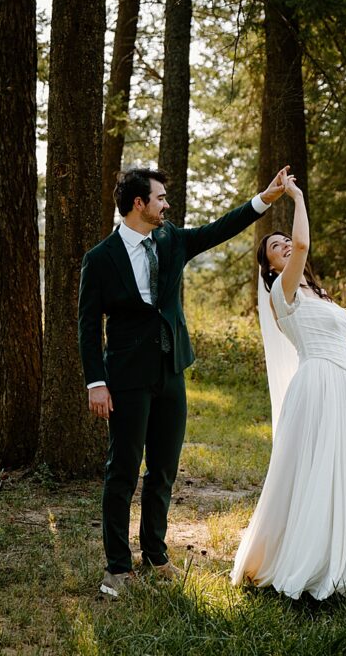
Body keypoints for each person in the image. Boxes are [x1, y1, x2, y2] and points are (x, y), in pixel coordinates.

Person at [78, 165, 289, 598]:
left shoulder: (171, 239)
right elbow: (87, 326)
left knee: (163, 470)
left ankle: (155, 556)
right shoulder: (100, 259)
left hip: (171, 371)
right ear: (139, 203)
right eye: (160, 198)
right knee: (122, 472)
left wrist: (264, 199)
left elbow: (218, 229)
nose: (166, 205)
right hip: (126, 378)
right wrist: (95, 382)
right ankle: (117, 568)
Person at [231, 171, 346, 600]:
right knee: (317, 469)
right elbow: (303, 245)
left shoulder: (317, 293)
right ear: (270, 266)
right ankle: (309, 555)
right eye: (274, 247)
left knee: (344, 466)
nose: (284, 245)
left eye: (284, 241)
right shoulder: (283, 292)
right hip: (317, 383)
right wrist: (296, 197)